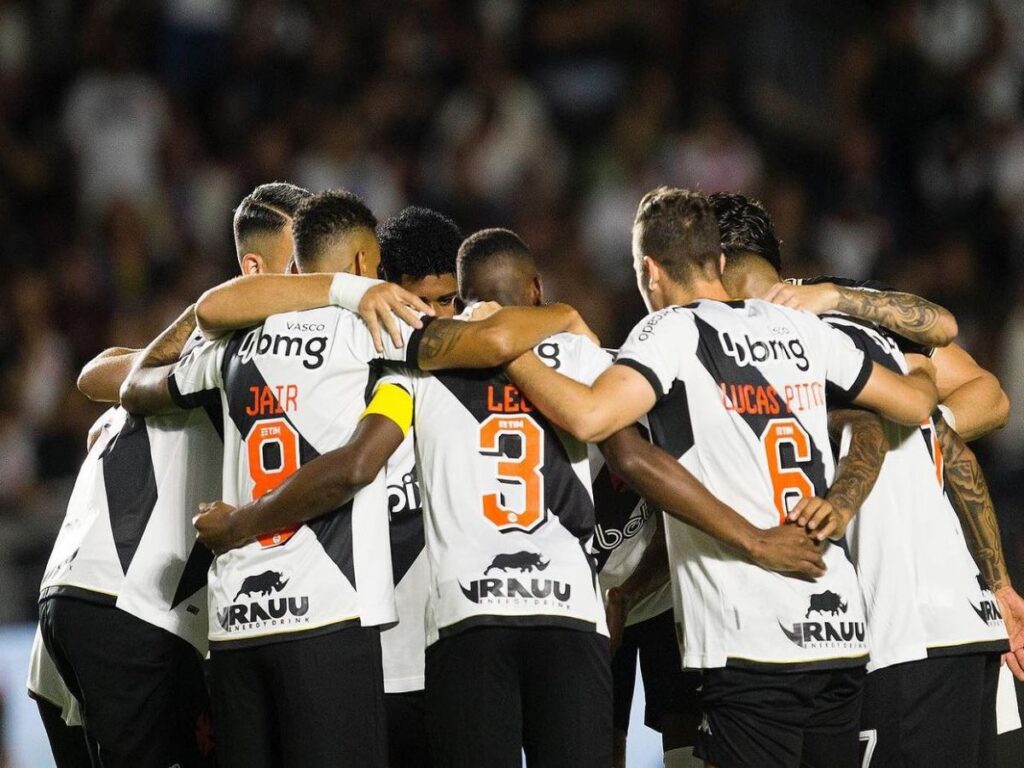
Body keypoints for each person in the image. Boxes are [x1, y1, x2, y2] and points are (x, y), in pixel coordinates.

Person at [185, 223, 830, 767]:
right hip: (568, 620)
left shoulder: (416, 371)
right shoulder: (587, 359)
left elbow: (361, 458)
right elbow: (635, 460)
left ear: (462, 301)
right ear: (536, 290)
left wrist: (246, 518)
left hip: (467, 624)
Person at [119, 189, 592, 768]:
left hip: (240, 620)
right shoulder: (376, 339)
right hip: (332, 619)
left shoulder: (236, 341)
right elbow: (480, 351)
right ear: (369, 266)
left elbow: (140, 378)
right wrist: (561, 317)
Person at [504, 187, 940, 768]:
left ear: (650, 271)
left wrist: (508, 351)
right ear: (718, 260)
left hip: (753, 639)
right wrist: (918, 381)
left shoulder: (671, 332)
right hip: (836, 627)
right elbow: (910, 406)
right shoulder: (799, 327)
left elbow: (589, 417)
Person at [711, 190, 1024, 767]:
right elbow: (959, 418)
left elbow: (981, 399)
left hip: (902, 632)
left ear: (716, 264)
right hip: (966, 621)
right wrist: (999, 583)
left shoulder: (776, 338)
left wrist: (915, 433)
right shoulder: (861, 318)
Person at [34, 181, 317, 768]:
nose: (315, 283)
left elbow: (97, 375)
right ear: (253, 270)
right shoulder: (243, 351)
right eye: (301, 265)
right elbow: (95, 376)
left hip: (71, 603)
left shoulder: (185, 355)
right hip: (134, 606)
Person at [375, 206, 463, 768]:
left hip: (458, 658)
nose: (432, 317)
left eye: (447, 300)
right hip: (375, 664)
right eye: (418, 300)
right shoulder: (354, 373)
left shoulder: (489, 374)